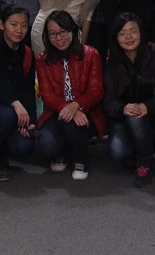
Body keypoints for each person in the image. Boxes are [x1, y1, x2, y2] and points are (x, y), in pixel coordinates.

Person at [103, 12, 155, 188]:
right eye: (122, 33)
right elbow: (108, 101)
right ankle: (140, 150)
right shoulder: (112, 63)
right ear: (116, 37)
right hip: (123, 121)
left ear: (141, 33)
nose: (128, 37)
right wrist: (123, 108)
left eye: (133, 31)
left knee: (136, 118)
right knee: (117, 151)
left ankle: (144, 165)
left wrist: (147, 106)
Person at [35, 10, 106, 181]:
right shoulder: (42, 58)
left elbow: (96, 91)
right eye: (52, 34)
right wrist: (67, 108)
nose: (58, 38)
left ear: (73, 31)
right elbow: (46, 94)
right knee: (46, 145)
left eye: (63, 32)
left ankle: (81, 160)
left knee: (72, 126)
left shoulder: (91, 54)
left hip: (87, 111)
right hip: (56, 111)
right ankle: (61, 152)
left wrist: (76, 106)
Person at [0, 5, 37, 178]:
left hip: (14, 113)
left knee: (24, 146)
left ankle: (0, 152)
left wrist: (31, 121)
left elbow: (28, 91)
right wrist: (14, 102)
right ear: (2, 25)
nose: (19, 30)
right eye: (14, 24)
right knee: (6, 114)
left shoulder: (27, 53)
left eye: (24, 25)